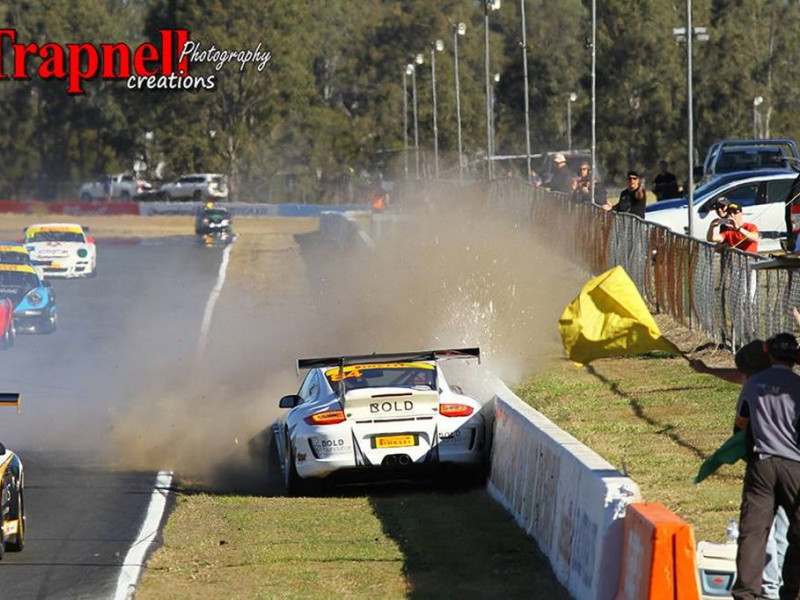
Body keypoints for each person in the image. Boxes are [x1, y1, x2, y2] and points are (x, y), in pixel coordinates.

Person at [732, 333, 800, 599]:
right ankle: (792, 590)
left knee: (753, 532)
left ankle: (747, 593)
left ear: (768, 353)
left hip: (761, 464)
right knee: (797, 531)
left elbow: (740, 426)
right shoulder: (797, 386)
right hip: (795, 465)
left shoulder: (753, 384)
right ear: (795, 358)